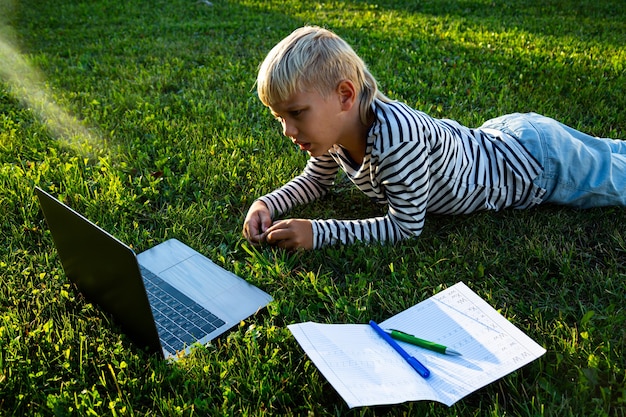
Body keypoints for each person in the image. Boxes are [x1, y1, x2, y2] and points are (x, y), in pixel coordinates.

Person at [242, 25, 626, 250]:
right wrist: (266, 204)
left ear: (345, 95)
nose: (288, 131)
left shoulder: (395, 139)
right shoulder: (333, 136)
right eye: (280, 118)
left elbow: (407, 227)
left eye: (295, 114)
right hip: (502, 137)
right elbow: (316, 180)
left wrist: (319, 233)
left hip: (534, 164)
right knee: (609, 154)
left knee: (616, 176)